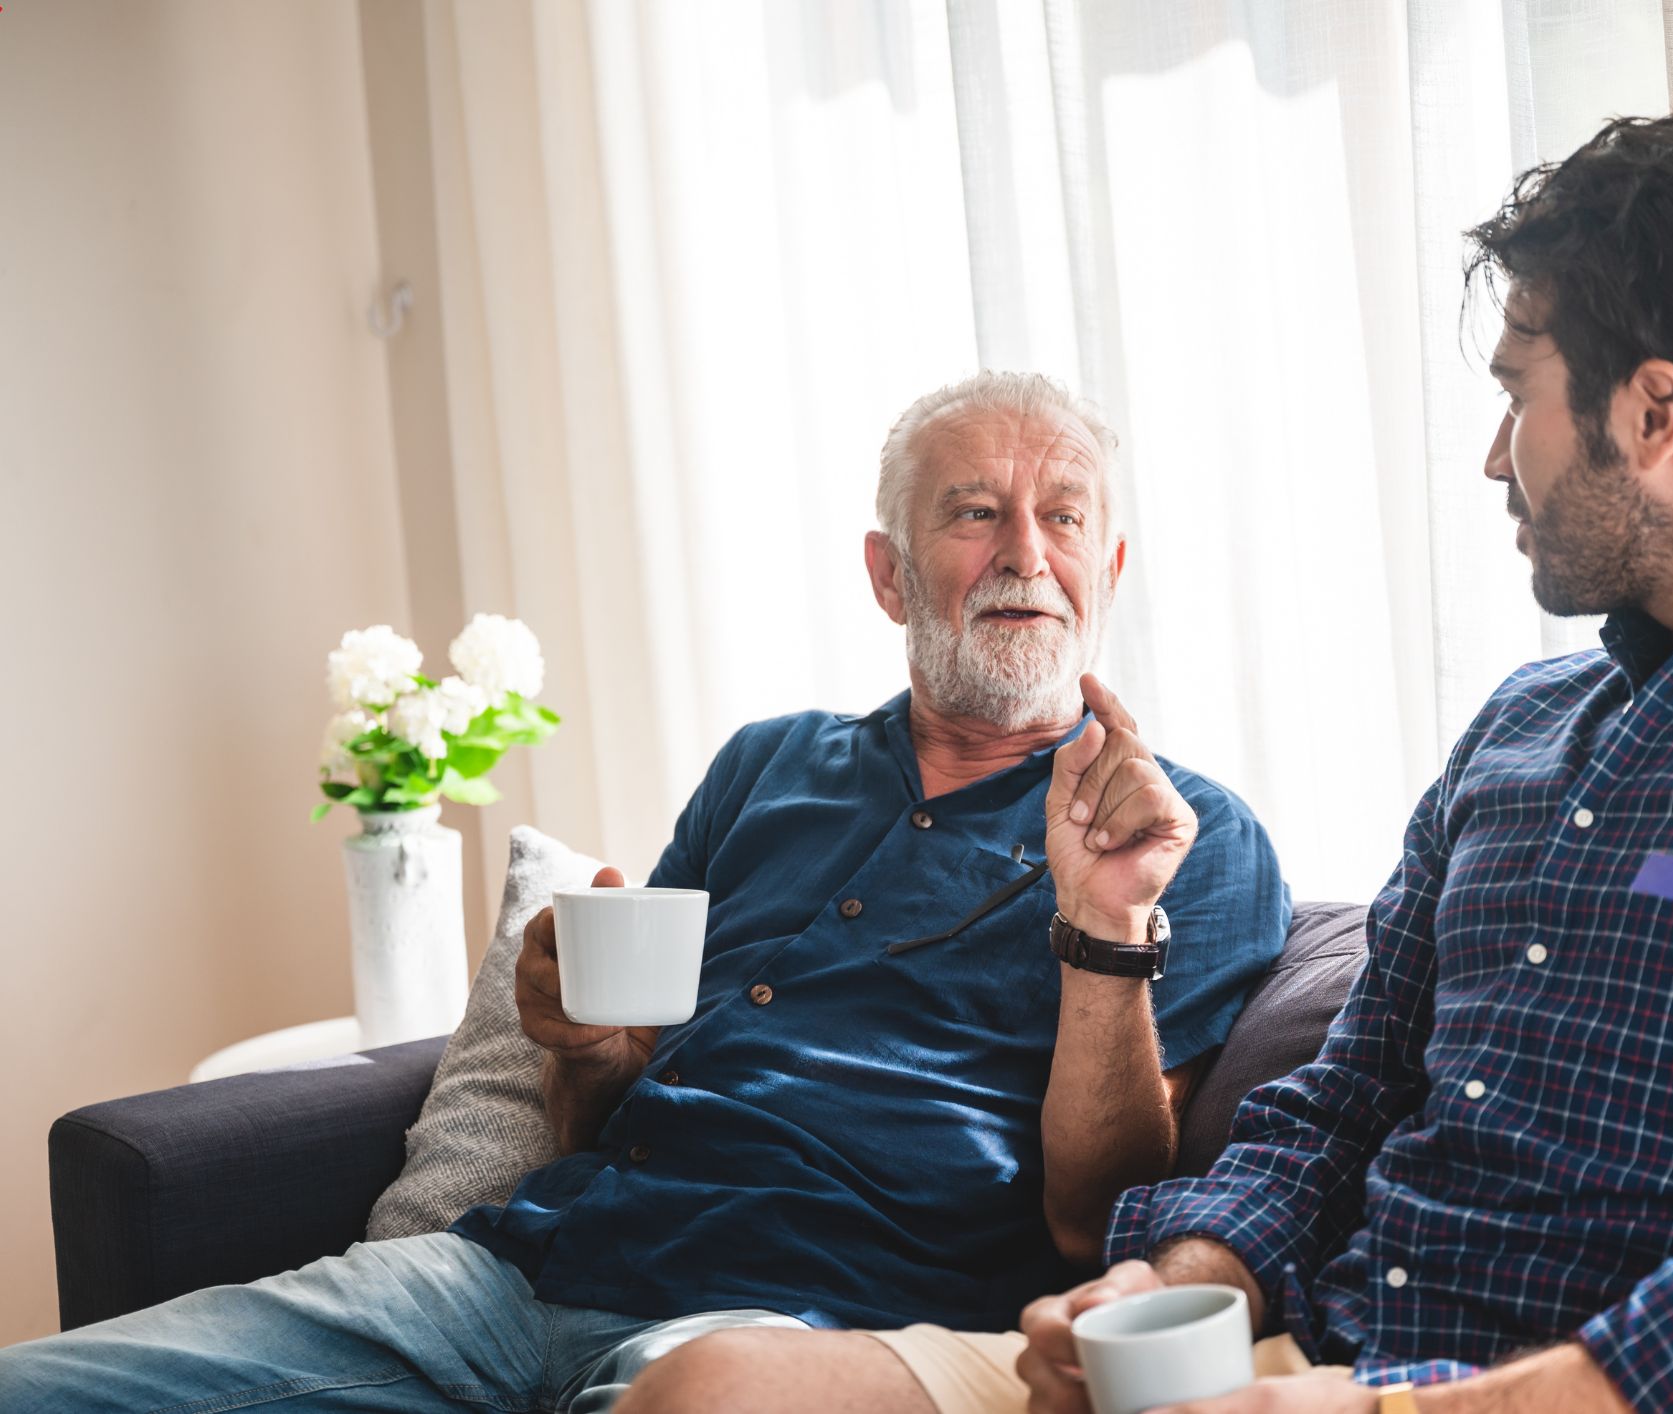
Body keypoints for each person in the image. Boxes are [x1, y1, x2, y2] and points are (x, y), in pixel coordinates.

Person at [635, 115, 1673, 1414]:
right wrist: (1164, 1292)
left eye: (1516, 393)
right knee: (718, 1382)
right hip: (1311, 1357)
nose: (1490, 459)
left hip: (1530, 1395)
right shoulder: (1525, 728)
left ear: (1653, 412)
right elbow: (1335, 1112)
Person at [0, 373, 1288, 1413]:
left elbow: (1094, 1221)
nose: (1024, 552)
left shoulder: (1187, 836)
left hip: (795, 1326)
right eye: (972, 514)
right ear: (890, 573)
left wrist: (1106, 929)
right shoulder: (769, 765)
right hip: (512, 1271)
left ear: (1109, 564)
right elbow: (601, 1106)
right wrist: (587, 1047)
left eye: (1062, 516)